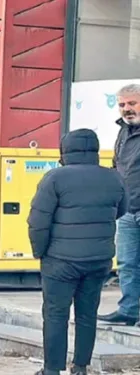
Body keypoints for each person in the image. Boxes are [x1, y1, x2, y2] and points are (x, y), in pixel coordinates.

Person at [28, 129, 127, 375]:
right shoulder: (114, 177)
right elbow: (121, 210)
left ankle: (52, 369)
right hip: (98, 260)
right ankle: (80, 367)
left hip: (60, 260)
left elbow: (38, 222)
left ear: (65, 150)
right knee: (87, 314)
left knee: (55, 314)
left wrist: (40, 252)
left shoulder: (54, 178)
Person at [99, 83, 140, 326]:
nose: (126, 109)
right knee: (127, 263)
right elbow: (118, 167)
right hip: (128, 210)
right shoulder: (123, 131)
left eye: (132, 103)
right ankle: (129, 310)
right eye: (122, 104)